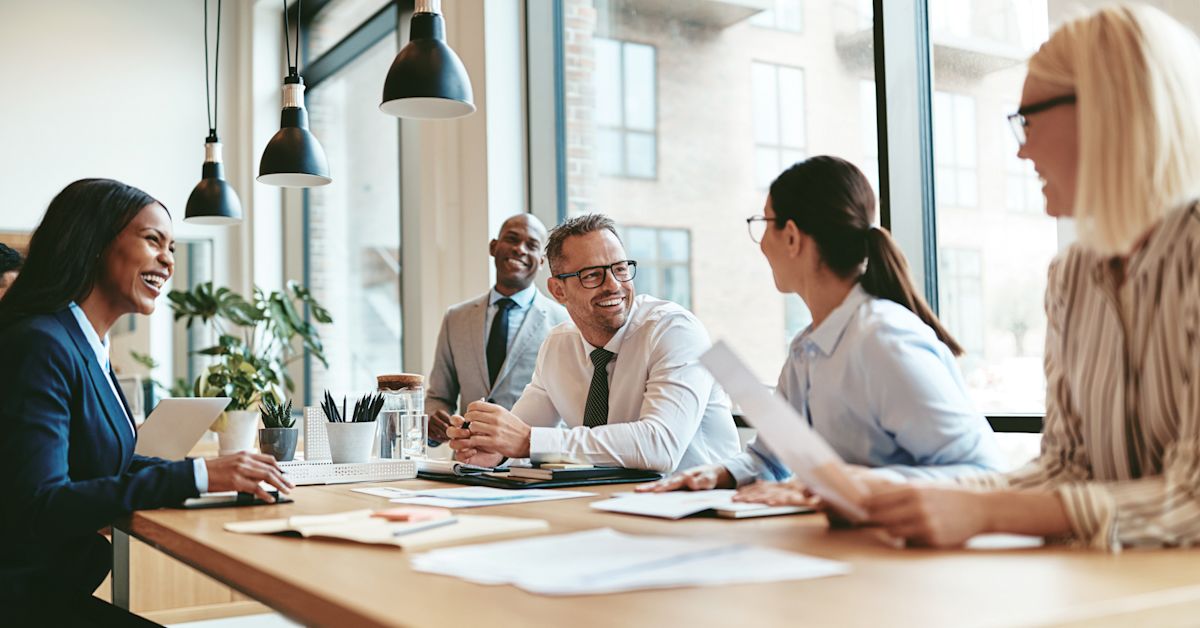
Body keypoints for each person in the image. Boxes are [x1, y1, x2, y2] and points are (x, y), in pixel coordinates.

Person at [863, 4, 1200, 550]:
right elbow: (1066, 470)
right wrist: (899, 496)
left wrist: (986, 513)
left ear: (1105, 110)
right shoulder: (1071, 277)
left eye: (1028, 120)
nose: (1021, 150)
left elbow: (1195, 500)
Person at [0, 179, 293, 623]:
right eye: (153, 240)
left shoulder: (84, 345)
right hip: (26, 599)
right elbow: (42, 504)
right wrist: (195, 476)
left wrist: (218, 477)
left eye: (172, 246)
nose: (168, 260)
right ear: (94, 243)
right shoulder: (43, 344)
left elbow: (107, 461)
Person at [640, 156, 1004, 496]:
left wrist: (853, 483)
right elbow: (772, 458)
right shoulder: (807, 349)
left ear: (793, 237)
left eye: (764, 223)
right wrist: (720, 474)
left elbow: (983, 472)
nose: (762, 243)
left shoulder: (884, 342)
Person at [445, 213, 741, 472]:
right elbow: (523, 432)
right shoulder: (559, 345)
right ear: (558, 290)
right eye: (593, 275)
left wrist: (526, 441)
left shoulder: (674, 331)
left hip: (700, 511)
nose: (613, 285)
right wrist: (492, 448)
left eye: (621, 268)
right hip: (610, 506)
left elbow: (660, 445)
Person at [425, 214, 568, 443]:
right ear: (494, 247)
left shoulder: (563, 322)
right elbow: (439, 396)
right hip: (466, 462)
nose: (520, 249)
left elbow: (570, 408)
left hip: (531, 467)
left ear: (542, 261)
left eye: (531, 245)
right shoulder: (456, 318)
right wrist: (433, 420)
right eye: (512, 239)